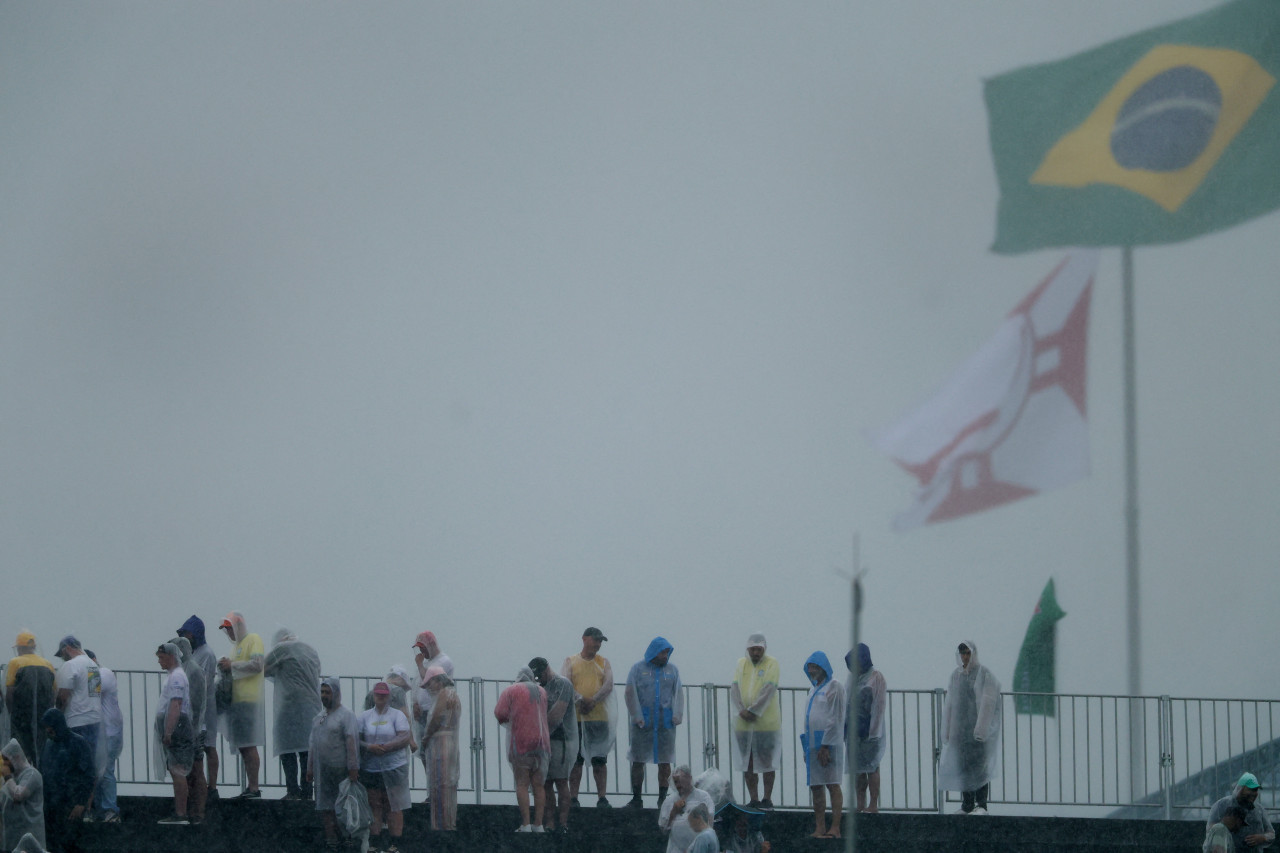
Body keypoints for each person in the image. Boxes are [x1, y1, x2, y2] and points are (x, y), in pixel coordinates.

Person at [938, 640, 1001, 815]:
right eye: (962, 653)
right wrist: (948, 730)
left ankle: (981, 805)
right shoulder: (956, 676)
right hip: (961, 732)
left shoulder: (984, 674)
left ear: (973, 653)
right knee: (964, 767)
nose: (964, 656)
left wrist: (981, 730)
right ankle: (967, 804)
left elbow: (988, 703)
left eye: (967, 652)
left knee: (979, 767)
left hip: (978, 732)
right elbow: (950, 704)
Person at [264, 628, 323, 800]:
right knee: (307, 751)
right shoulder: (310, 651)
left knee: (287, 750)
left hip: (287, 706)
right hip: (310, 706)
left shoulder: (281, 649)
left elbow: (263, 669)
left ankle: (292, 790)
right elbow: (317, 672)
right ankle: (307, 790)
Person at [625, 637, 683, 808]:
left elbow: (678, 693)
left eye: (667, 652)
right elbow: (630, 692)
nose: (665, 656)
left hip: (665, 723)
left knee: (665, 761)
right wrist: (636, 715)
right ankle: (637, 798)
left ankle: (662, 799)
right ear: (653, 652)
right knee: (638, 759)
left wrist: (677, 715)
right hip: (643, 723)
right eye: (662, 652)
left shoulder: (672, 671)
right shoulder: (637, 669)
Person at [561, 627, 615, 808]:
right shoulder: (571, 661)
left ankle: (602, 797)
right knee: (576, 759)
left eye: (600, 642)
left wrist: (594, 700)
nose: (598, 645)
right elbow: (566, 683)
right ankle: (573, 797)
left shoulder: (604, 662)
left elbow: (608, 684)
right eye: (595, 640)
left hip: (599, 717)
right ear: (584, 639)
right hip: (576, 718)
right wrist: (580, 700)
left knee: (600, 759)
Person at [494, 668, 550, 833]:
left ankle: (525, 824)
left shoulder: (511, 690)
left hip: (521, 742)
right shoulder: (542, 691)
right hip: (542, 743)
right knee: (539, 785)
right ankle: (538, 825)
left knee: (522, 783)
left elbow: (500, 713)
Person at [217, 611, 266, 799]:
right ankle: (250, 787)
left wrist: (232, 666)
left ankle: (254, 787)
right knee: (244, 746)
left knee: (249, 744)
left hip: (249, 699)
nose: (228, 633)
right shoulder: (236, 646)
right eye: (226, 630)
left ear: (239, 626)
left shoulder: (253, 639)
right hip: (237, 700)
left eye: (230, 628)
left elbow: (257, 664)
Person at [357, 682, 412, 853]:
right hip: (371, 768)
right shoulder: (364, 716)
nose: (381, 697)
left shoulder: (397, 716)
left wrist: (386, 747)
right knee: (374, 804)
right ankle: (375, 842)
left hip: (394, 766)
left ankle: (395, 843)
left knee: (394, 805)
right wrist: (369, 747)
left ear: (388, 696)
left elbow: (404, 736)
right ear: (373, 696)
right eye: (378, 694)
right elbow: (357, 739)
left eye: (384, 694)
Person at [307, 677, 360, 850]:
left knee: (344, 806)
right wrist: (309, 768)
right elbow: (312, 744)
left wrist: (353, 767)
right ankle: (331, 840)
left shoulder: (346, 715)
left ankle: (347, 838)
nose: (324, 696)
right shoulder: (318, 717)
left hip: (341, 769)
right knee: (325, 806)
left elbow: (351, 742)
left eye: (327, 692)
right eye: (322, 692)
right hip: (323, 770)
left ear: (336, 694)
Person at [729, 634, 780, 809]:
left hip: (766, 723)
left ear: (764, 649)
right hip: (743, 723)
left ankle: (767, 798)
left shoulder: (772, 663)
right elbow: (734, 688)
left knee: (767, 761)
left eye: (759, 649)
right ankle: (754, 798)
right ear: (748, 649)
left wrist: (754, 710)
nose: (756, 652)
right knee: (747, 762)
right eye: (753, 649)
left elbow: (769, 689)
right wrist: (741, 710)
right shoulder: (741, 663)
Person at [530, 656, 577, 832]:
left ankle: (563, 822)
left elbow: (558, 713)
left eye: (540, 675)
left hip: (560, 739)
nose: (539, 680)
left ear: (546, 669)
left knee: (561, 781)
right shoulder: (537, 687)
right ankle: (549, 822)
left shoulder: (563, 684)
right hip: (541, 740)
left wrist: (540, 729)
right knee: (546, 782)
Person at [176, 616, 220, 802]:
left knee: (208, 746)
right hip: (194, 708)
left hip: (206, 706)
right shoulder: (193, 653)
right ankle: (198, 784)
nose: (186, 637)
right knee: (199, 747)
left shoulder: (206, 653)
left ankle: (212, 786)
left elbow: (202, 682)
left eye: (187, 633)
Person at [801, 651, 844, 839]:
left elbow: (835, 717)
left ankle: (835, 827)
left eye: (815, 667)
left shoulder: (835, 686)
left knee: (832, 783)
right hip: (812, 742)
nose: (812, 670)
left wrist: (826, 745)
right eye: (810, 667)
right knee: (816, 786)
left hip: (829, 743)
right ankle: (819, 827)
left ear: (824, 667)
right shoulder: (813, 689)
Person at [38, 708, 93, 853]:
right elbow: (43, 770)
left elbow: (88, 775)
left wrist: (81, 802)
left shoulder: (78, 743)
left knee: (69, 843)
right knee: (52, 844)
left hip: (70, 804)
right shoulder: (49, 744)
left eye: (50, 729)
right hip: (51, 805)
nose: (48, 732)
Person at [152, 644, 195, 825]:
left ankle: (180, 813)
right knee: (175, 768)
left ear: (170, 656)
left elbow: (175, 705)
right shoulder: (173, 676)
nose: (159, 662)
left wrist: (168, 731)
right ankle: (180, 812)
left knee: (177, 770)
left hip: (177, 726)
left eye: (161, 658)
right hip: (176, 725)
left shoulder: (177, 676)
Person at [166, 639, 207, 823]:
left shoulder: (193, 670)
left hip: (193, 729)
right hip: (188, 728)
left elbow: (196, 704)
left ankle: (198, 812)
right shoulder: (184, 670)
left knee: (196, 770)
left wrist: (193, 728)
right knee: (189, 770)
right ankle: (192, 811)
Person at [410, 632, 453, 804]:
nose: (421, 653)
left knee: (437, 756)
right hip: (422, 713)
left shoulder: (444, 661)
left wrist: (420, 665)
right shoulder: (427, 662)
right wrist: (414, 702)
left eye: (422, 648)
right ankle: (431, 791)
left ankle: (440, 793)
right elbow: (417, 685)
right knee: (425, 755)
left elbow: (428, 679)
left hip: (435, 712)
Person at [846, 643, 887, 813]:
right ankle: (860, 804)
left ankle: (873, 804)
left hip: (870, 728)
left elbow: (879, 705)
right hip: (855, 729)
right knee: (858, 769)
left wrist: (874, 731)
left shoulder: (876, 677)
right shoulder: (852, 679)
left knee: (872, 766)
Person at [51, 638, 102, 775]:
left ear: (67, 648)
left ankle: (75, 795)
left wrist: (57, 717)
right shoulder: (93, 665)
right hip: (94, 720)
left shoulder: (71, 665)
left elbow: (63, 696)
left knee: (74, 765)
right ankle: (89, 795)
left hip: (76, 721)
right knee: (89, 764)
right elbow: (94, 692)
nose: (62, 658)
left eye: (62, 654)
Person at [6, 634, 55, 771]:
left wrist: (11, 711)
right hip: (44, 716)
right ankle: (41, 781)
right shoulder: (48, 664)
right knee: (42, 749)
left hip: (22, 715)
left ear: (20, 647)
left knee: (20, 749)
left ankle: (23, 780)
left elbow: (10, 691)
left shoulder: (15, 662)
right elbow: (53, 692)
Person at [83, 652, 122, 824]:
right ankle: (101, 808)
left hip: (108, 733)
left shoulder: (103, 673)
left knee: (105, 770)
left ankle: (110, 810)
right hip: (101, 731)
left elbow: (91, 692)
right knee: (97, 770)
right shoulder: (98, 673)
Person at [420, 666, 460, 831]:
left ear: (437, 681)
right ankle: (449, 821)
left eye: (430, 683)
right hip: (449, 741)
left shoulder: (444, 694)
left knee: (440, 783)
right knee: (448, 783)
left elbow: (436, 717)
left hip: (440, 741)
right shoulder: (453, 694)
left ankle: (441, 824)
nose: (429, 688)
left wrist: (426, 736)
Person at [1206, 772, 1275, 851]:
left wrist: (1262, 838)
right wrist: (1224, 827)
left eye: (1255, 790)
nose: (1254, 793)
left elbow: (1271, 833)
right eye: (1250, 789)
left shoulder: (1259, 810)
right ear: (1240, 789)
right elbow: (1211, 830)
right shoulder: (1221, 805)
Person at [657, 765, 715, 853]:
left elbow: (709, 824)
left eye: (681, 781)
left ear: (689, 778)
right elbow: (663, 829)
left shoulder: (703, 797)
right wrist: (673, 812)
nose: (679, 785)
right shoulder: (669, 801)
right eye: (676, 782)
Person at [1, 739, 46, 851]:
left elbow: (18, 795)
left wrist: (7, 776)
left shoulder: (32, 774)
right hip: (13, 837)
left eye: (7, 760)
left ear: (16, 757)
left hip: (30, 835)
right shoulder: (13, 777)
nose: (5, 764)